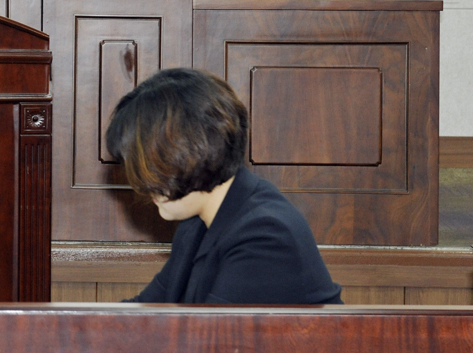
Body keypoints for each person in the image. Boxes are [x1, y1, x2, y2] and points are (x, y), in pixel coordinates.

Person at [104, 68, 342, 305]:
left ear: (192, 151)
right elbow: (145, 312)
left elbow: (210, 330)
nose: (142, 183)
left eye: (149, 166)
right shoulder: (197, 223)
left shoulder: (264, 236)